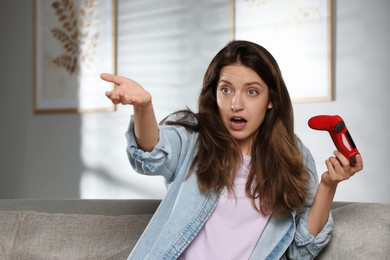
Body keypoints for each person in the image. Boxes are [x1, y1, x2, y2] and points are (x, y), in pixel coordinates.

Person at [100, 40, 363, 259]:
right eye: (226, 90)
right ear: (214, 93)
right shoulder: (195, 138)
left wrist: (328, 185)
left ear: (271, 99)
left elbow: (300, 249)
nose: (236, 104)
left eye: (251, 92)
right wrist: (144, 107)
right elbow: (153, 152)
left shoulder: (293, 154)